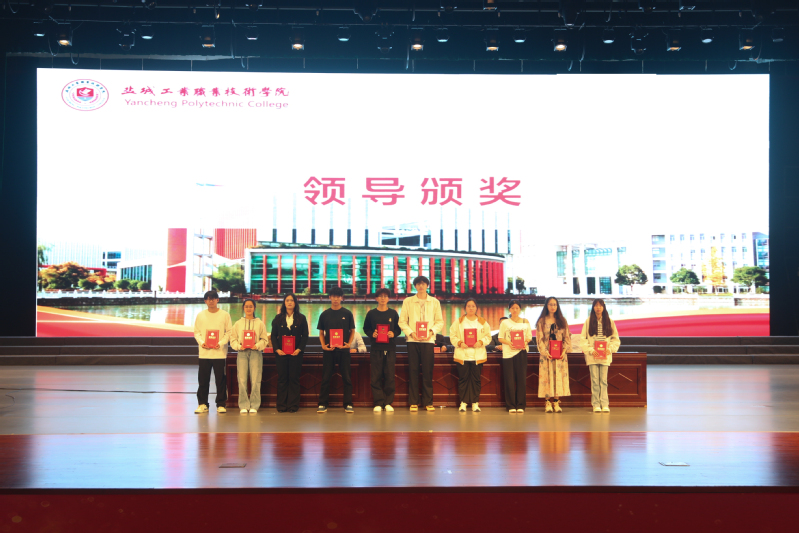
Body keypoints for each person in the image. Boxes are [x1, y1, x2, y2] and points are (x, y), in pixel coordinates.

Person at [398, 276, 445, 412]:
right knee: (413, 371)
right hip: (412, 340)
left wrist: (431, 332)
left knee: (427, 372)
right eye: (418, 284)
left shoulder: (435, 302)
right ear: (415, 286)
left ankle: (428, 402)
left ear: (427, 286)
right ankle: (413, 402)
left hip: (428, 341)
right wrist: (411, 333)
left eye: (423, 284)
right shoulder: (408, 301)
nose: (421, 286)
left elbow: (439, 322)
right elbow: (402, 322)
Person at [317, 286, 356, 413]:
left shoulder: (347, 313)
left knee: (347, 378)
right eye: (333, 296)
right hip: (329, 350)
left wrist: (348, 344)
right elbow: (321, 333)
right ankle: (322, 403)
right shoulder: (324, 314)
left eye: (338, 297)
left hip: (343, 351)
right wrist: (323, 346)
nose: (335, 299)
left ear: (341, 298)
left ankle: (348, 403)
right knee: (325, 377)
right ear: (330, 297)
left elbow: (352, 331)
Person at [193, 290, 233, 414]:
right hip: (204, 353)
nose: (211, 301)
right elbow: (197, 332)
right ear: (205, 301)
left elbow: (229, 332)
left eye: (213, 298)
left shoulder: (225, 315)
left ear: (217, 300)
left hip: (219, 353)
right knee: (203, 380)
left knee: (220, 380)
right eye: (208, 299)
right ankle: (202, 404)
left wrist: (220, 343)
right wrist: (202, 342)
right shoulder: (200, 315)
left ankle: (221, 404)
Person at [363, 287, 402, 412]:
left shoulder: (393, 313)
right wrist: (372, 334)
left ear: (388, 299)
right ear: (376, 298)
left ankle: (388, 402)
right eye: (381, 296)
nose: (383, 298)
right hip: (376, 348)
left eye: (385, 296)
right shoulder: (371, 313)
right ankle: (378, 403)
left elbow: (398, 329)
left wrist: (393, 334)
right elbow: (366, 328)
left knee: (390, 376)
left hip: (390, 348)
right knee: (376, 376)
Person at [449, 298, 492, 413]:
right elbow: (452, 336)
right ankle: (463, 402)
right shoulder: (458, 322)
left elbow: (488, 336)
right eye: (468, 306)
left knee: (476, 380)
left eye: (473, 306)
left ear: (476, 308)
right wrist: (459, 343)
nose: (471, 308)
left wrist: (481, 342)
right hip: (462, 355)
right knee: (463, 379)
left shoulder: (482, 322)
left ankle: (475, 403)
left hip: (477, 356)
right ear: (465, 308)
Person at [580, 298, 621, 413]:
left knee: (603, 381)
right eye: (596, 305)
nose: (598, 307)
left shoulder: (610, 321)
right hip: (593, 356)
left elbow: (615, 339)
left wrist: (610, 349)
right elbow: (583, 339)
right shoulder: (588, 321)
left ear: (604, 307)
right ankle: (596, 404)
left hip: (605, 356)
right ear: (593, 307)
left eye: (600, 305)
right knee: (594, 381)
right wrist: (590, 350)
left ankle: (605, 404)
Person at [229, 298, 270, 414]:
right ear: (243, 308)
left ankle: (254, 405)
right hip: (242, 353)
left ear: (254, 308)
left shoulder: (260, 323)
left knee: (256, 379)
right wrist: (238, 346)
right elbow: (232, 339)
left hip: (256, 353)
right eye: (246, 306)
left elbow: (264, 340)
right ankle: (243, 405)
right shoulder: (238, 323)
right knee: (242, 379)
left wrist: (257, 345)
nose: (248, 308)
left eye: (251, 306)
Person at [271, 293, 309, 413]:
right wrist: (277, 349)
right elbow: (273, 335)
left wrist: (299, 349)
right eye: (287, 300)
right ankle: (281, 405)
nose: (289, 302)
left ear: (295, 303)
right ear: (284, 302)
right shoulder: (278, 318)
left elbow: (305, 336)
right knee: (282, 379)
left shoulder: (301, 318)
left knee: (294, 379)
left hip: (296, 354)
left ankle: (293, 405)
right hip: (281, 354)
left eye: (292, 300)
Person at [536, 297, 572, 413]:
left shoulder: (562, 320)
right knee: (546, 378)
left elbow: (567, 337)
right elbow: (539, 339)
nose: (553, 307)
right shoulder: (542, 321)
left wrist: (563, 351)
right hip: (546, 355)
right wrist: (545, 352)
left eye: (555, 304)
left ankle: (556, 402)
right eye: (551, 304)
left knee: (558, 377)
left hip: (560, 355)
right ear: (546, 306)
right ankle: (547, 403)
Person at [497, 301, 533, 413]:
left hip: (521, 352)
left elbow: (529, 337)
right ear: (509, 310)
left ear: (520, 309)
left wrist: (525, 342)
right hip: (508, 353)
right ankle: (511, 405)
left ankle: (521, 405)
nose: (515, 310)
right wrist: (509, 343)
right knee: (509, 380)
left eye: (517, 308)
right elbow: (500, 338)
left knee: (521, 379)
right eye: (512, 308)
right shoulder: (505, 323)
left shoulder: (525, 321)